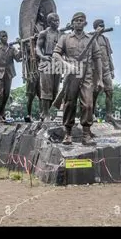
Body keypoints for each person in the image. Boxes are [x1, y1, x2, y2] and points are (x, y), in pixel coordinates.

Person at [52, 12, 103, 145]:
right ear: (72, 23)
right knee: (69, 103)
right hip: (71, 74)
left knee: (88, 104)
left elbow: (98, 59)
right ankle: (68, 133)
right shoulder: (65, 38)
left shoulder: (90, 39)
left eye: (81, 20)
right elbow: (56, 54)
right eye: (76, 20)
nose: (79, 22)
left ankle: (86, 134)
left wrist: (100, 79)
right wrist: (67, 65)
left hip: (87, 74)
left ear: (85, 23)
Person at [35, 13, 62, 122]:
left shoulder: (61, 34)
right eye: (54, 21)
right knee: (46, 89)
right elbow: (37, 47)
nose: (57, 22)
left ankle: (44, 112)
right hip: (47, 61)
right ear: (49, 22)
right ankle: (46, 114)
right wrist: (43, 56)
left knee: (55, 91)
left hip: (58, 62)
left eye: (58, 20)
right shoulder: (44, 33)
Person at [91, 19, 115, 125]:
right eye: (100, 26)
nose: (102, 27)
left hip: (106, 70)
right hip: (95, 70)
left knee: (110, 92)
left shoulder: (106, 40)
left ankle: (109, 115)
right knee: (94, 93)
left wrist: (112, 69)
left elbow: (109, 55)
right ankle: (92, 114)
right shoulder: (91, 38)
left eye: (103, 26)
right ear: (96, 27)